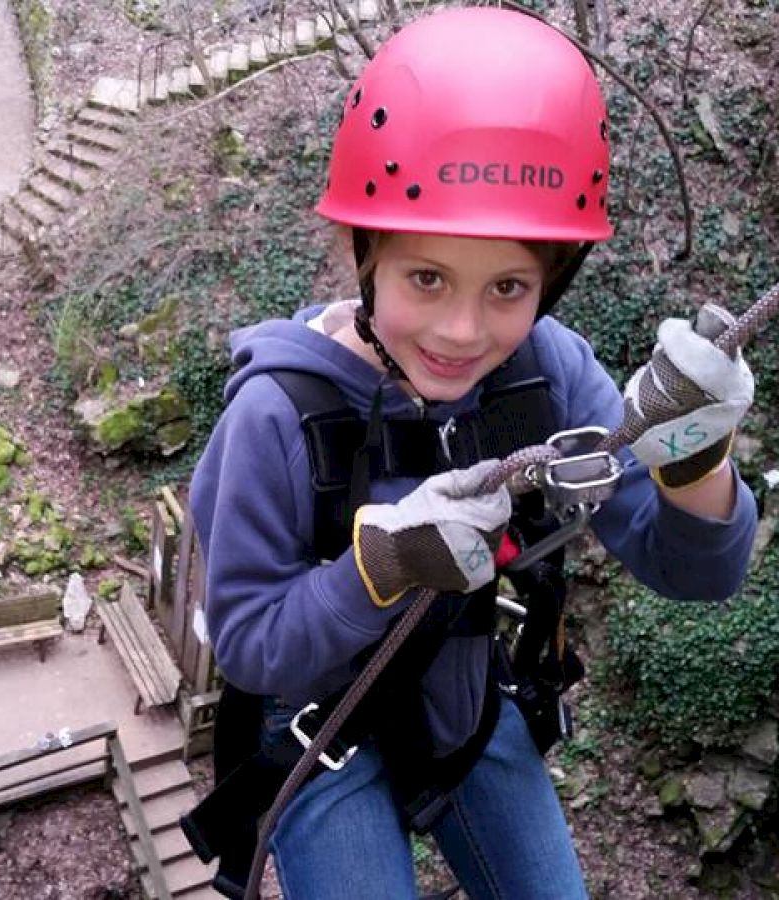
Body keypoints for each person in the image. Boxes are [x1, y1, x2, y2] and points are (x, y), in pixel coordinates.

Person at [186, 8, 758, 899]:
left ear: (551, 281)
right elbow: (252, 647)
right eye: (427, 278)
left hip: (463, 702)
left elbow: (692, 571)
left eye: (507, 287)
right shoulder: (278, 414)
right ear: (363, 251)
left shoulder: (543, 373)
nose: (462, 330)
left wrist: (694, 463)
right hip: (318, 724)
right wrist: (376, 568)